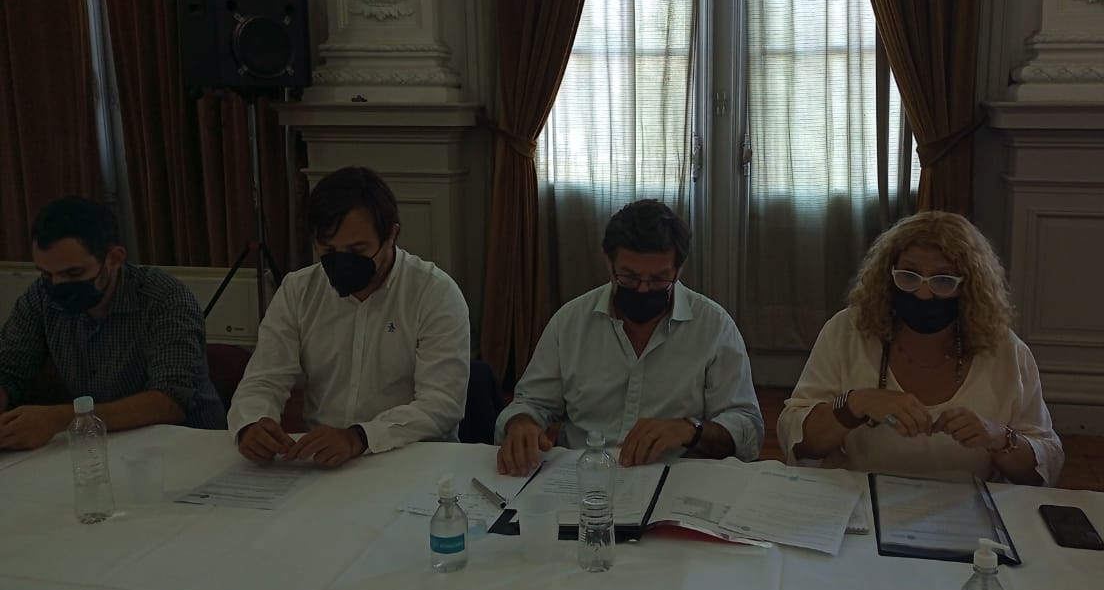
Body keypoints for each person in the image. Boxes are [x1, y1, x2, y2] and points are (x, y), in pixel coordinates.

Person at [778, 211, 1062, 485]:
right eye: (909, 276)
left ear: (969, 287)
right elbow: (797, 439)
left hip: (965, 506)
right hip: (858, 501)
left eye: (943, 281)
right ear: (888, 276)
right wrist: (856, 404)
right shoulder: (847, 331)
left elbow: (1045, 466)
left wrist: (999, 437)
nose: (923, 294)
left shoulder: (1005, 350)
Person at [496, 199, 764, 475]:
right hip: (584, 477)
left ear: (679, 269)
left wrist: (690, 430)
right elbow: (532, 402)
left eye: (659, 279)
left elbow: (747, 429)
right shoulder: (570, 323)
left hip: (676, 478)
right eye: (629, 277)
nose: (643, 290)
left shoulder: (713, 327)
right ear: (608, 262)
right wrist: (522, 424)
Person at [228, 167, 470, 467]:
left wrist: (359, 437)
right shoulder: (298, 290)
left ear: (391, 235)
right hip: (323, 461)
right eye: (328, 249)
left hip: (413, 460)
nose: (342, 262)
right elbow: (264, 378)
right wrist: (251, 423)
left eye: (357, 250)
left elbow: (441, 405)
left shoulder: (434, 293)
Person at [0, 197, 225, 448]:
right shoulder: (41, 296)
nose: (57, 285)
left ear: (114, 258)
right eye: (46, 273)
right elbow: (9, 369)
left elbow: (170, 401)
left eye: (73, 273)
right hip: (98, 446)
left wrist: (59, 419)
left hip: (185, 445)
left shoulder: (164, 299)